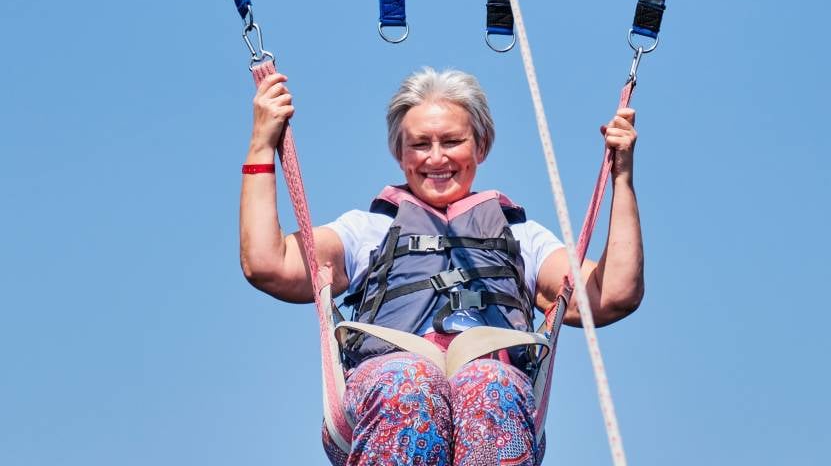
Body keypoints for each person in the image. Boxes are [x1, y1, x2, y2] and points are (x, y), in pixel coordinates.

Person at [239, 67, 646, 466]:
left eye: (452, 141)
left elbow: (610, 295)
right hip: (389, 391)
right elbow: (268, 264)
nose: (436, 158)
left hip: (492, 391)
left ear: (480, 146)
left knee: (490, 385)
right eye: (419, 144)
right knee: (411, 383)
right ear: (399, 153)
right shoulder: (367, 231)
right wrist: (262, 143)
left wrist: (622, 177)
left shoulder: (522, 238)